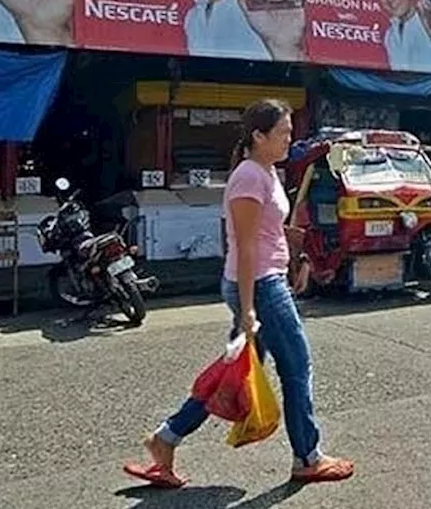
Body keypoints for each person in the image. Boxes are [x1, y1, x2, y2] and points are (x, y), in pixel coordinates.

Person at [124, 100, 354, 488]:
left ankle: (165, 438)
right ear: (258, 136)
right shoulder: (249, 176)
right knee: (297, 367)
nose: (289, 139)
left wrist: (297, 261)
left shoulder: (266, 171)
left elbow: (270, 232)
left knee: (233, 369)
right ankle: (308, 457)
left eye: (290, 132)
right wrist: (248, 309)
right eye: (282, 133)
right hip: (259, 286)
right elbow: (245, 246)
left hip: (266, 280)